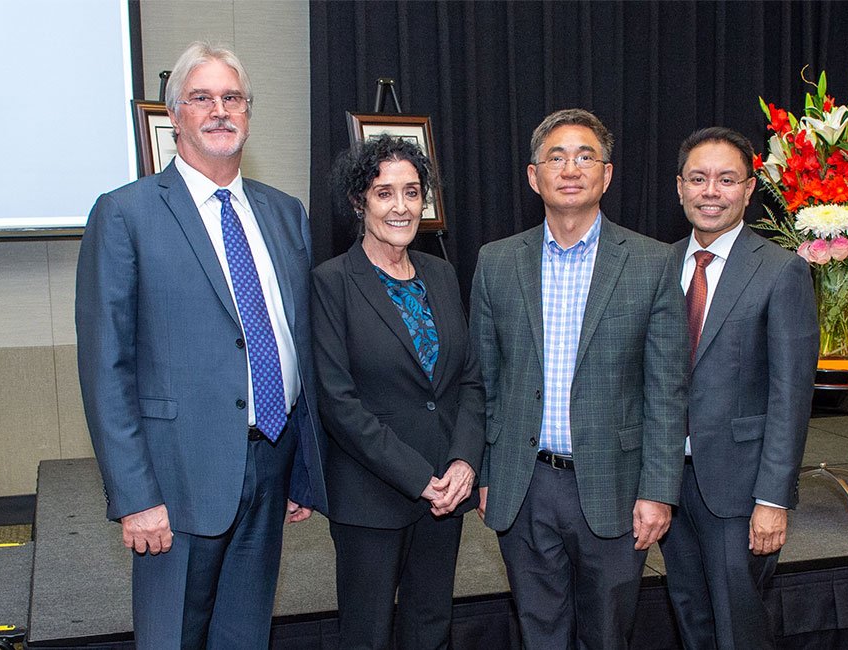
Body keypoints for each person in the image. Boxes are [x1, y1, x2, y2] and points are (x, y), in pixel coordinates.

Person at [75, 41, 327, 648]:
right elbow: (106, 367)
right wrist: (135, 496)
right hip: (177, 477)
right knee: (173, 637)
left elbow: (301, 343)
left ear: (248, 111)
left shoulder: (284, 212)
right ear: (175, 116)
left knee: (245, 635)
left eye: (232, 97)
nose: (220, 110)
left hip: (270, 460)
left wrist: (302, 469)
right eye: (202, 98)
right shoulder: (125, 214)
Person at [470, 108, 688, 648]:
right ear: (533, 175)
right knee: (538, 630)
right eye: (556, 157)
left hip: (614, 484)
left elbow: (665, 389)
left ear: (606, 174)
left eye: (585, 156)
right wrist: (487, 468)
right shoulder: (496, 262)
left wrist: (659, 490)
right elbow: (485, 380)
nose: (570, 168)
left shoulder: (651, 262)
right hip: (525, 483)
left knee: (607, 635)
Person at [311, 134, 484, 650]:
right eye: (384, 192)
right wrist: (418, 477)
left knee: (430, 629)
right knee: (365, 635)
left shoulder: (442, 274)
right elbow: (338, 404)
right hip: (371, 495)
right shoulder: (332, 282)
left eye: (412, 192)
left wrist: (463, 463)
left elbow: (468, 381)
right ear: (358, 202)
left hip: (446, 491)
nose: (401, 206)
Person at [659, 127, 818, 649]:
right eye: (699, 179)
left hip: (741, 491)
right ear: (679, 187)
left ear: (749, 189)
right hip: (667, 484)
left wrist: (774, 498)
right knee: (691, 618)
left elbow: (790, 398)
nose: (711, 192)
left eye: (726, 180)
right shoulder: (655, 266)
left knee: (739, 628)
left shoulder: (780, 271)